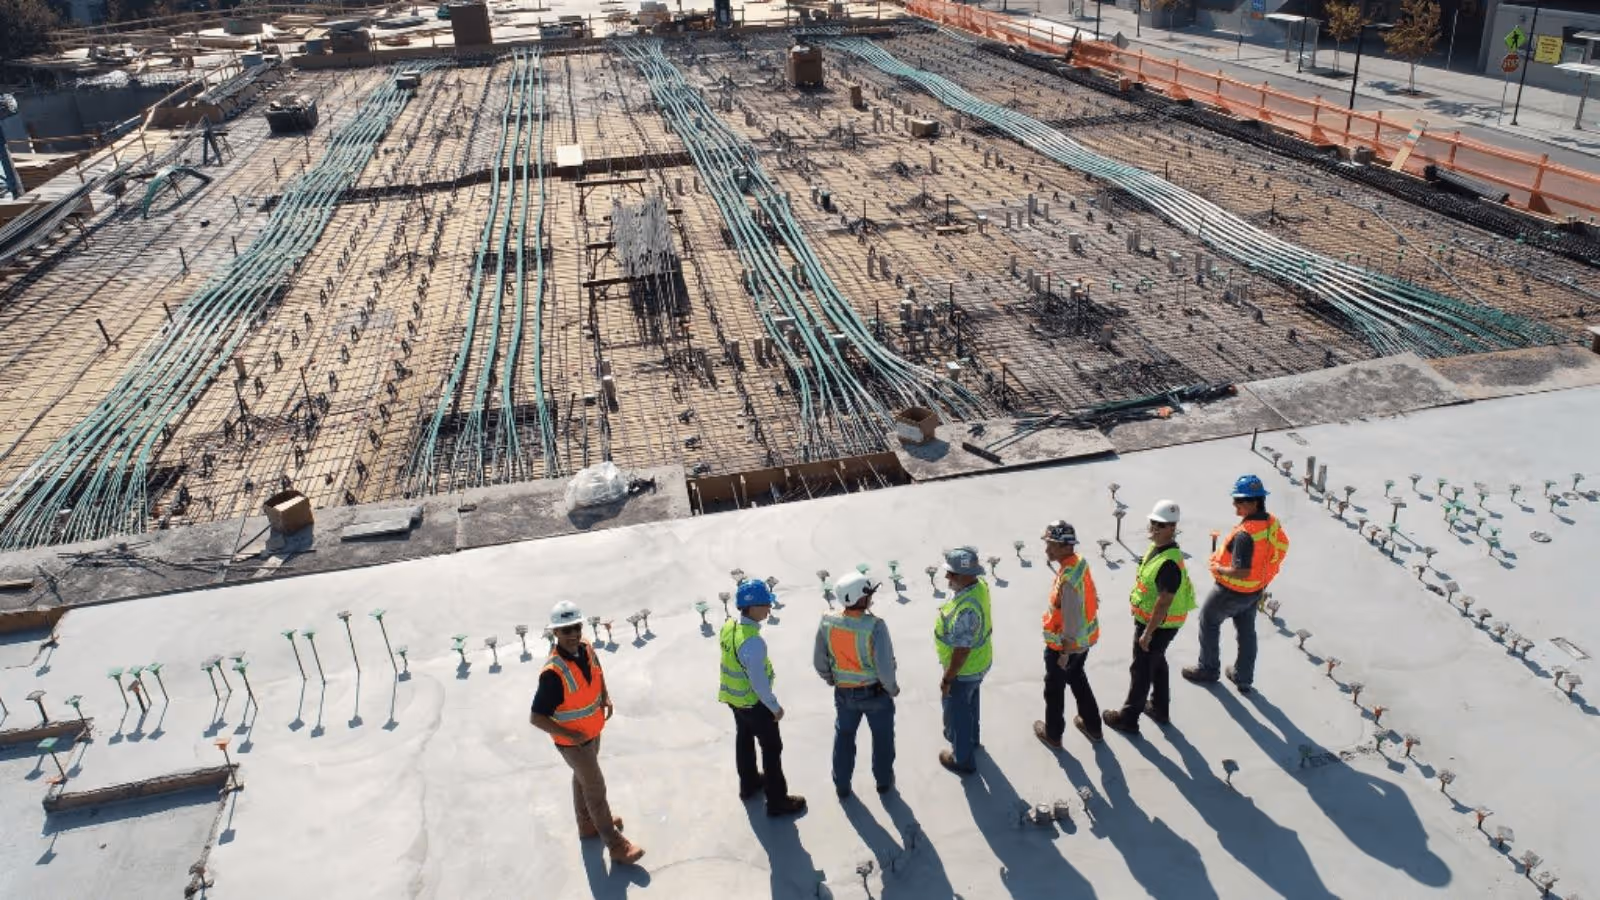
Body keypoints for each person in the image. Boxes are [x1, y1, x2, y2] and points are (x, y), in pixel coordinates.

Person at [529, 601, 645, 865]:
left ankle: (587, 825)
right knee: (595, 788)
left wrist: (605, 695)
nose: (573, 634)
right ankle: (616, 845)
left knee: (582, 778)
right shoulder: (552, 673)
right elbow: (536, 717)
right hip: (574, 743)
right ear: (555, 633)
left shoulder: (587, 648)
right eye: (566, 629)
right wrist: (571, 736)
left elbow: (597, 673)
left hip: (592, 731)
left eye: (576, 627)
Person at [1184, 475, 1291, 695]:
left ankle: (1208, 669)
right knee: (1246, 632)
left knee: (1208, 620)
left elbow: (1241, 571)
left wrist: (1217, 568)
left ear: (1253, 503)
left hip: (1231, 591)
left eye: (1238, 501)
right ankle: (1243, 677)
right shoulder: (1270, 522)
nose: (1234, 505)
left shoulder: (1245, 535)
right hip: (1256, 590)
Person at [1103, 500, 1197, 736]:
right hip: (1158, 623)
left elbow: (1164, 600)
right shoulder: (1159, 549)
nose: (1154, 528)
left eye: (1161, 525)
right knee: (1157, 661)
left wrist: (1148, 632)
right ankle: (1159, 707)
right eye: (1153, 523)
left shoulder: (1168, 563)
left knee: (1141, 669)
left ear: (1172, 528)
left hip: (1158, 625)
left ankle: (1128, 719)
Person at [719, 578, 807, 817]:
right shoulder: (753, 642)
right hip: (754, 704)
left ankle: (748, 784)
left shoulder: (729, 627)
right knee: (771, 747)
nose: (770, 608)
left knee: (744, 738)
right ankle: (777, 800)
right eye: (766, 604)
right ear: (753, 607)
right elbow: (758, 682)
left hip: (733, 699)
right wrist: (774, 707)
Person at [814, 571, 900, 798]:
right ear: (860, 599)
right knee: (882, 739)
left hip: (844, 694)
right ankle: (883, 782)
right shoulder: (876, 626)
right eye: (869, 594)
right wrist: (892, 688)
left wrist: (831, 679)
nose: (871, 597)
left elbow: (819, 661)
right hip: (876, 694)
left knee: (844, 738)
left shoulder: (827, 622)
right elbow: (884, 666)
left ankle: (842, 785)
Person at [1032, 520, 1103, 749]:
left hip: (1065, 647)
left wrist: (1063, 653)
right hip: (1084, 642)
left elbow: (1070, 621)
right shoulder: (1079, 564)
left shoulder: (1069, 580)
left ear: (1065, 547)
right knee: (1078, 678)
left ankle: (1053, 734)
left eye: (1051, 545)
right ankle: (1093, 726)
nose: (1047, 549)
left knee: (1054, 690)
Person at [933, 546, 992, 774]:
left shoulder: (967, 610)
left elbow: (961, 650)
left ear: (967, 576)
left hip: (964, 670)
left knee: (957, 712)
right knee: (970, 704)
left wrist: (948, 678)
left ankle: (962, 759)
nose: (947, 576)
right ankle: (972, 740)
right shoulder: (979, 586)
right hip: (979, 664)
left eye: (952, 573)